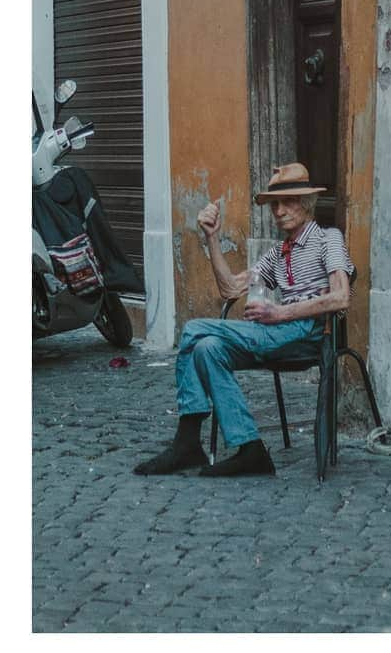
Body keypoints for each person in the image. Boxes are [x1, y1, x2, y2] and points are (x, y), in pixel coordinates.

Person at [134, 163, 354, 478]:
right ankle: (250, 450)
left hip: (308, 334)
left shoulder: (328, 239)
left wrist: (280, 312)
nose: (279, 211)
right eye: (274, 204)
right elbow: (231, 289)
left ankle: (186, 442)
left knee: (194, 329)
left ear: (306, 204)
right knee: (206, 348)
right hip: (277, 335)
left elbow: (341, 297)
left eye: (288, 202)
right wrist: (211, 238)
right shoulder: (279, 253)